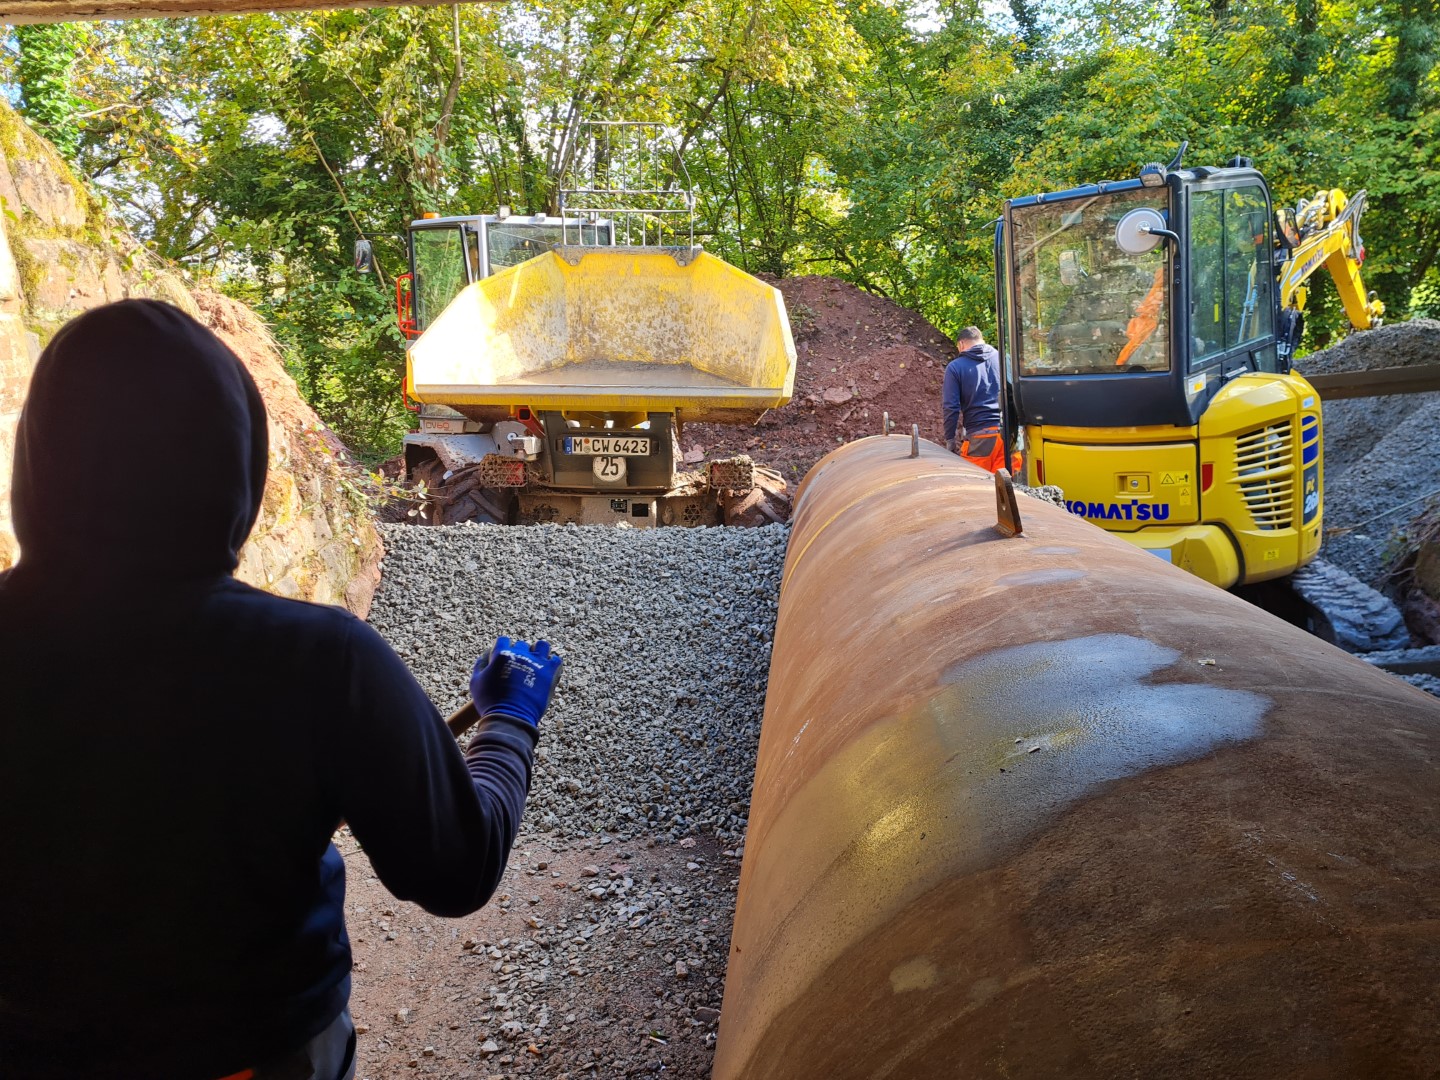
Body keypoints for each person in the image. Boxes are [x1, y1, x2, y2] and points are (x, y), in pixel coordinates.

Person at [0, 300, 562, 1080]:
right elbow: (456, 866)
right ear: (233, 462)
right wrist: (510, 722)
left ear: (40, 459)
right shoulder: (317, 660)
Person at [942, 326, 1009, 473]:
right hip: (1009, 436)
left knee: (974, 482)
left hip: (980, 437)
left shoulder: (955, 367)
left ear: (961, 344)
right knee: (1006, 484)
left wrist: (950, 440)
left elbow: (951, 407)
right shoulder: (1004, 359)